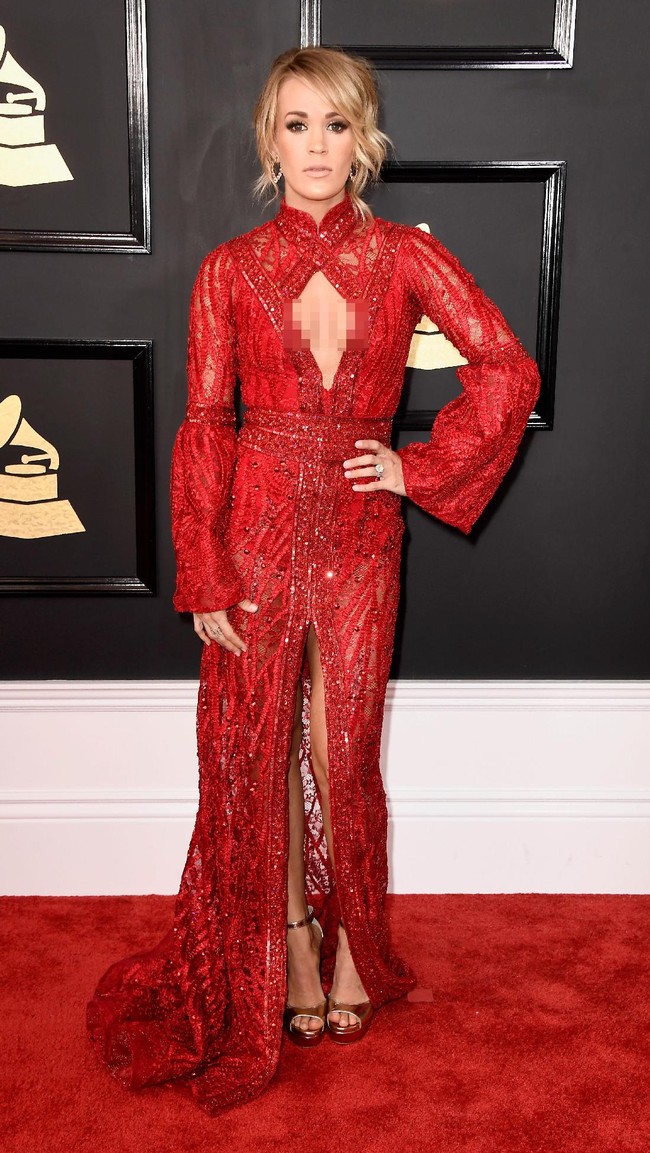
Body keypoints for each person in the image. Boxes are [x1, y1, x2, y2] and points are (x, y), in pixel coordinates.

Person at [86, 46, 540, 1116]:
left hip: (358, 531)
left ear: (363, 139)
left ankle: (349, 948)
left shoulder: (405, 259)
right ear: (267, 141)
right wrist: (199, 567)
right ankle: (287, 941)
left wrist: (415, 466)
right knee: (260, 746)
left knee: (341, 751)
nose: (317, 148)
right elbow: (203, 426)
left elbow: (504, 366)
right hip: (250, 531)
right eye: (297, 125)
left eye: (336, 125)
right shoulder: (229, 269)